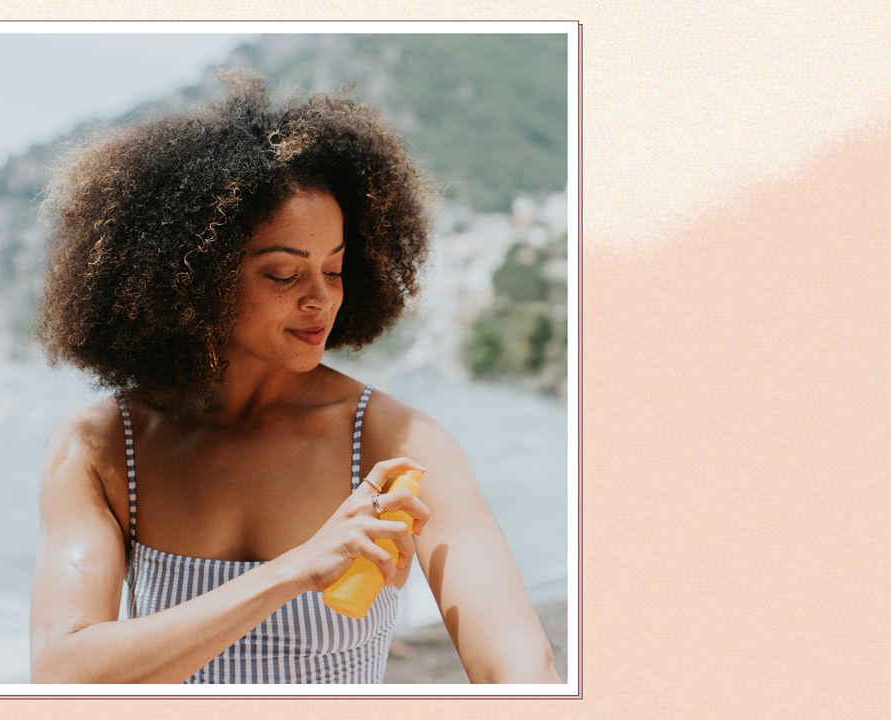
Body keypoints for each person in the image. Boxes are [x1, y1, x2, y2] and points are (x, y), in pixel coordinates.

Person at [28, 69, 560, 684]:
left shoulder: (396, 446)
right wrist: (295, 570)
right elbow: (61, 674)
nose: (320, 299)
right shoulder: (102, 447)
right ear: (193, 277)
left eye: (334, 270)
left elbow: (520, 671)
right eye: (283, 274)